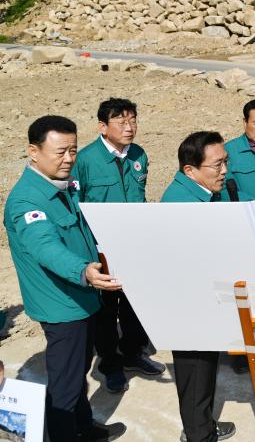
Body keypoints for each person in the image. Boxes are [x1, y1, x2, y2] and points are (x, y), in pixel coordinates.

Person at [3, 115, 125, 441]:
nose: (69, 159)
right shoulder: (27, 200)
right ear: (33, 151)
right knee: (65, 386)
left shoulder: (62, 185)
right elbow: (45, 247)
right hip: (62, 306)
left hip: (82, 297)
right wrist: (83, 271)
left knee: (78, 372)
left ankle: (83, 427)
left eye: (73, 150)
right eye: (60, 152)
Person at [72, 98, 165, 394]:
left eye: (133, 120)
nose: (130, 127)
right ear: (103, 126)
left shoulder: (139, 154)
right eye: (121, 122)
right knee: (106, 310)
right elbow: (76, 207)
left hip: (134, 244)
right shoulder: (84, 160)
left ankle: (133, 352)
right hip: (101, 248)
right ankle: (110, 364)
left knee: (134, 303)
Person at [162, 132, 237, 442]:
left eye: (225, 162)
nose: (224, 171)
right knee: (194, 370)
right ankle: (198, 435)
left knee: (206, 367)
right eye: (216, 164)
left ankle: (202, 424)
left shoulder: (204, 194)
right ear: (190, 170)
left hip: (205, 298)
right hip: (189, 305)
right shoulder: (181, 205)